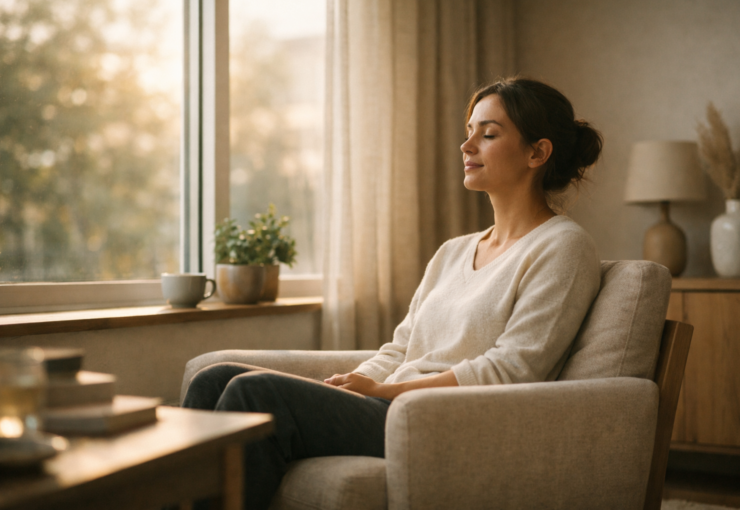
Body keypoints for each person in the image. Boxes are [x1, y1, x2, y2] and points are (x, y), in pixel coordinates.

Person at [182, 76, 604, 510]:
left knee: (256, 391)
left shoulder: (563, 246)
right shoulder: (453, 252)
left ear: (538, 152)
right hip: (390, 406)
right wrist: (351, 386)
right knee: (213, 379)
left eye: (489, 133)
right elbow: (400, 350)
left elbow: (514, 370)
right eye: (469, 132)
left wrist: (385, 394)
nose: (467, 145)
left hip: (443, 421)